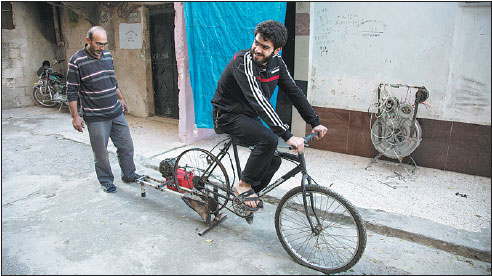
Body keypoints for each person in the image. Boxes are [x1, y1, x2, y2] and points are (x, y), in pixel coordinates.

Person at [211, 20, 328, 221]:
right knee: (269, 140)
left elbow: (294, 92)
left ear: (277, 50)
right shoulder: (243, 61)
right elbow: (258, 100)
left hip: (247, 116)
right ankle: (243, 185)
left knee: (273, 160)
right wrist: (288, 135)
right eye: (256, 43)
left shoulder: (277, 64)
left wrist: (314, 121)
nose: (257, 49)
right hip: (227, 116)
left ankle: (245, 198)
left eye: (265, 47)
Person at [66, 26, 142, 193]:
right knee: (101, 152)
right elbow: (71, 90)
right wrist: (75, 116)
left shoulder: (107, 55)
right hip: (96, 116)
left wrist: (121, 98)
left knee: (126, 145)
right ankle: (106, 181)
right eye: (99, 44)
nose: (102, 47)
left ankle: (129, 174)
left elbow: (112, 80)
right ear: (88, 41)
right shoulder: (76, 61)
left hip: (115, 111)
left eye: (105, 44)